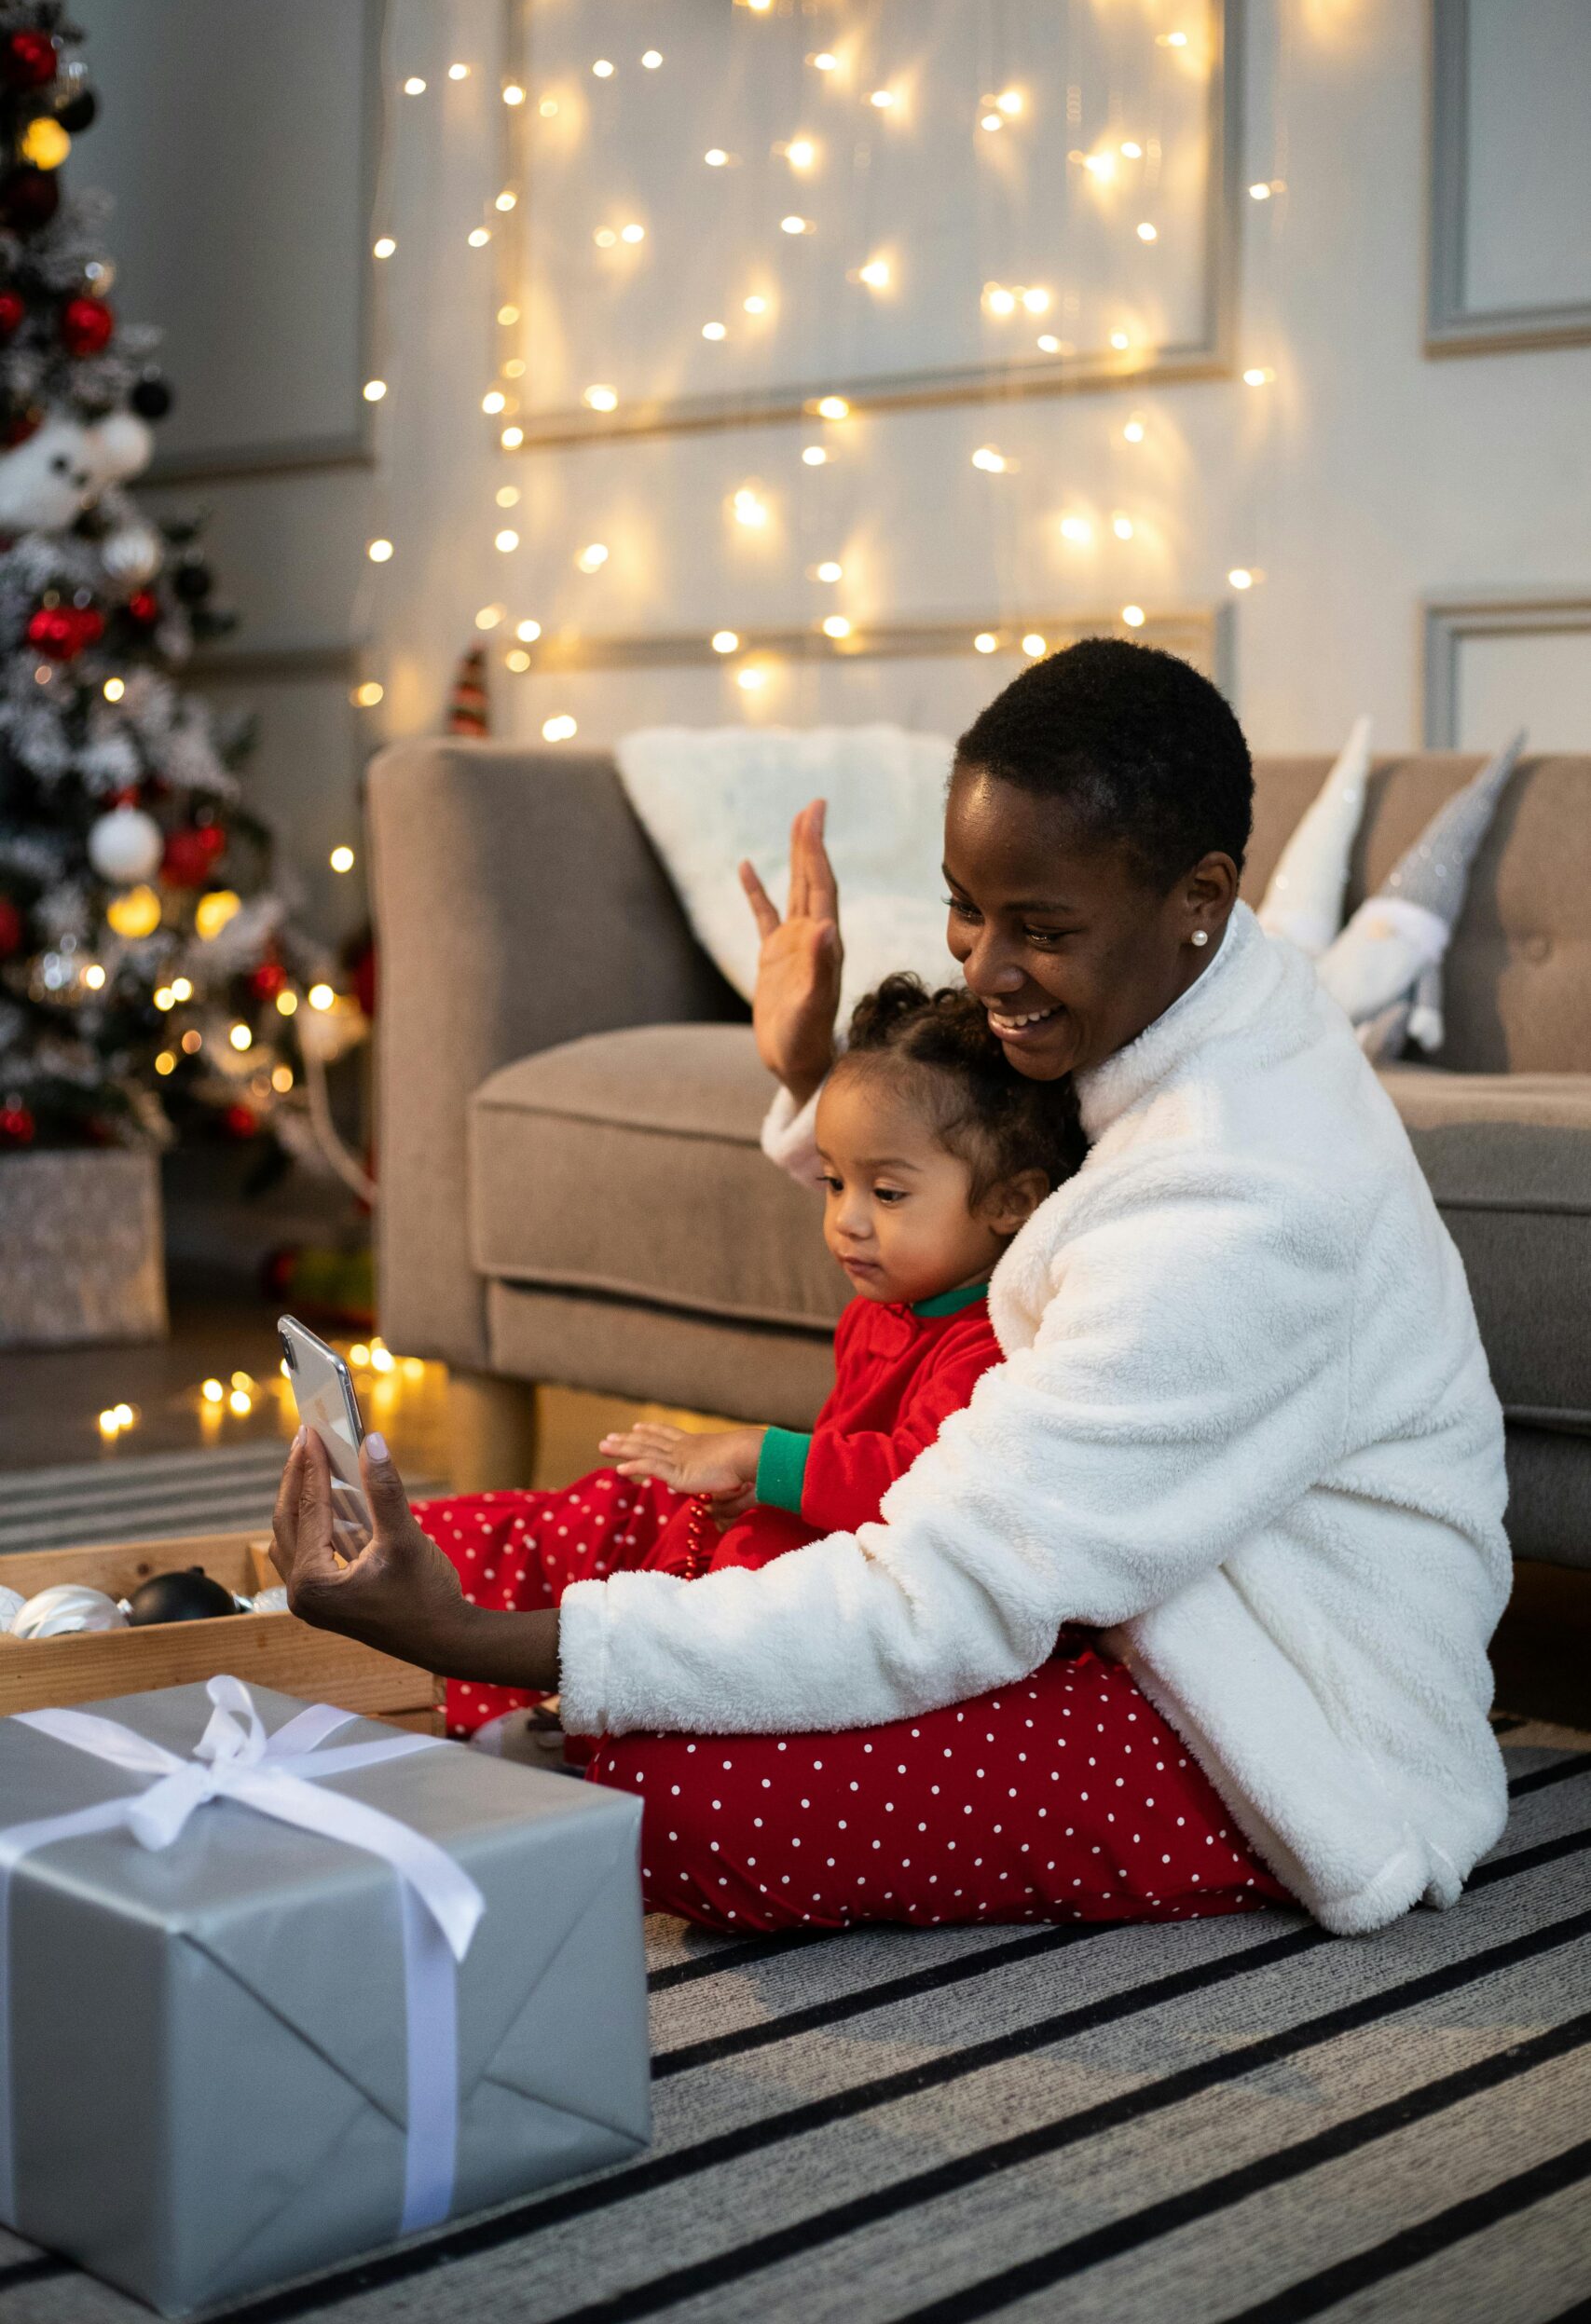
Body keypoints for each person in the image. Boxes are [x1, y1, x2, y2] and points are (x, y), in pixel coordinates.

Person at [271, 639, 1510, 1938]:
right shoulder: (1185, 988)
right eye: (965, 907)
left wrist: (472, 1645)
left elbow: (939, 1592)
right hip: (1097, 1578)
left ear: (1197, 892)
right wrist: (809, 1076)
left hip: (1260, 1704)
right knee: (628, 1518)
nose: (982, 968)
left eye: (1040, 929)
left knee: (672, 1790)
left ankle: (489, 1687)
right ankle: (390, 1632)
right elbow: (999, 1177)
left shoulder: (1236, 1204)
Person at [420, 973, 1077, 1744]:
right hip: (819, 1535)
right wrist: (765, 1486)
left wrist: (761, 1456)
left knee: (745, 1570)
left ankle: (589, 1721)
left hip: (867, 1583)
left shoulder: (985, 1347)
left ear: (1011, 1202)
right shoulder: (881, 1309)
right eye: (834, 1184)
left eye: (887, 1195)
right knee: (626, 1506)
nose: (846, 1222)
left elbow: (913, 1483)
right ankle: (432, 1597)